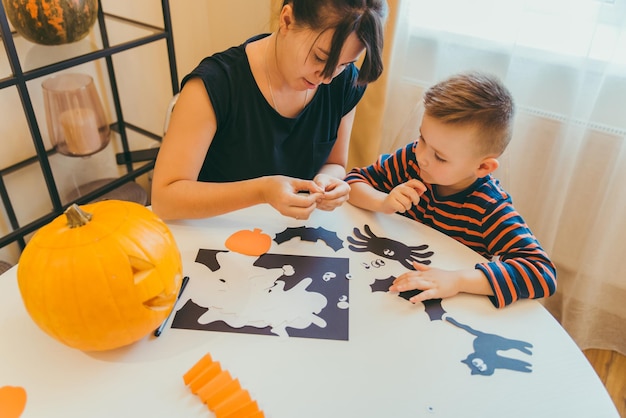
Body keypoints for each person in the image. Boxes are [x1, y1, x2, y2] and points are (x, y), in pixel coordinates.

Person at [151, 0, 387, 221]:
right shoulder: (214, 85)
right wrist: (262, 191)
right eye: (319, 57)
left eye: (344, 64)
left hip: (288, 236)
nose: (327, 78)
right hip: (214, 237)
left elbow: (335, 163)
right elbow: (165, 199)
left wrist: (328, 182)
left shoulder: (344, 82)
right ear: (287, 20)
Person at [345, 71, 557, 308]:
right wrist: (382, 202)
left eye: (440, 157)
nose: (422, 157)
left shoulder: (489, 207)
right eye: (422, 138)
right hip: (382, 284)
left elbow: (542, 273)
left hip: (439, 306)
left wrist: (457, 280)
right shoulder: (411, 160)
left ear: (483, 167)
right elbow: (352, 183)